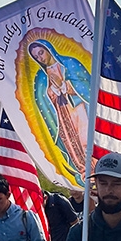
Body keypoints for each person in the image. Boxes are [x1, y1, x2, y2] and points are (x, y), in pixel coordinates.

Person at [28, 39, 91, 174]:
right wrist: (53, 91)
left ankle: (96, 164)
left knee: (84, 135)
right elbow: (41, 98)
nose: (41, 58)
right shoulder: (41, 76)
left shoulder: (69, 63)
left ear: (48, 49)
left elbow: (86, 84)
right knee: (70, 140)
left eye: (41, 52)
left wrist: (65, 86)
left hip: (78, 107)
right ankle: (83, 168)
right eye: (36, 56)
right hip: (61, 112)